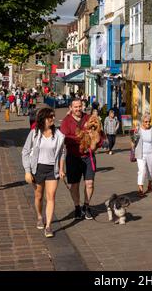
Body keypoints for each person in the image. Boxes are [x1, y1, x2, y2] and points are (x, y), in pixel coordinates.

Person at [22, 108, 65, 238]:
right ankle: (40, 216)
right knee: (38, 196)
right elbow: (25, 151)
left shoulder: (58, 135)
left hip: (52, 170)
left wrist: (61, 169)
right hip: (38, 169)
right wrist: (27, 171)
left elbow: (63, 152)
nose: (52, 119)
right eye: (49, 117)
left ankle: (48, 226)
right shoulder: (34, 133)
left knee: (51, 196)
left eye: (53, 116)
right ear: (43, 118)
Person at [60, 99, 95, 220]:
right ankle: (77, 207)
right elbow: (63, 138)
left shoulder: (89, 118)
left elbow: (98, 134)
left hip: (88, 156)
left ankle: (86, 206)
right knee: (74, 185)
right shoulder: (66, 121)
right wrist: (80, 138)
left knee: (89, 183)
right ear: (71, 107)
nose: (78, 109)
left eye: (80, 106)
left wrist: (95, 140)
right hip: (73, 157)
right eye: (75, 107)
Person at [134, 114, 152, 197]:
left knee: (150, 171)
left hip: (151, 153)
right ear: (142, 122)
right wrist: (134, 134)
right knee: (142, 171)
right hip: (140, 154)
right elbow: (133, 140)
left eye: (149, 121)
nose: (148, 123)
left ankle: (149, 185)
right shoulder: (138, 129)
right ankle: (140, 189)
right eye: (146, 122)